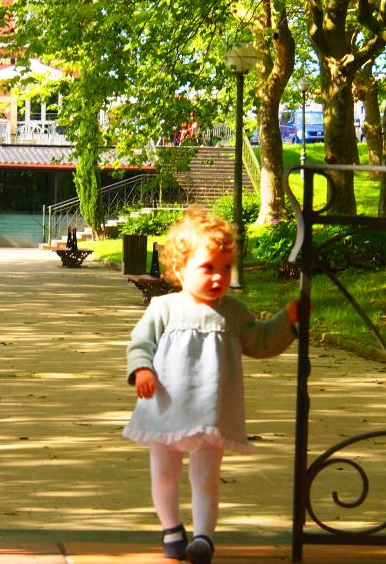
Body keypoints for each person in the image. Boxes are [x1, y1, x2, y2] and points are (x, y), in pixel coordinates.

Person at [124, 206, 299, 564]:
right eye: (208, 268)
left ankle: (203, 537)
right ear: (179, 268)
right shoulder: (164, 308)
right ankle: (171, 528)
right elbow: (140, 342)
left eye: (225, 268)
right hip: (165, 407)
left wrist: (288, 320)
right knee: (164, 473)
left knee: (206, 478)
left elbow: (261, 341)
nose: (218, 277)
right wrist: (142, 370)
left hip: (211, 410)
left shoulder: (234, 311)